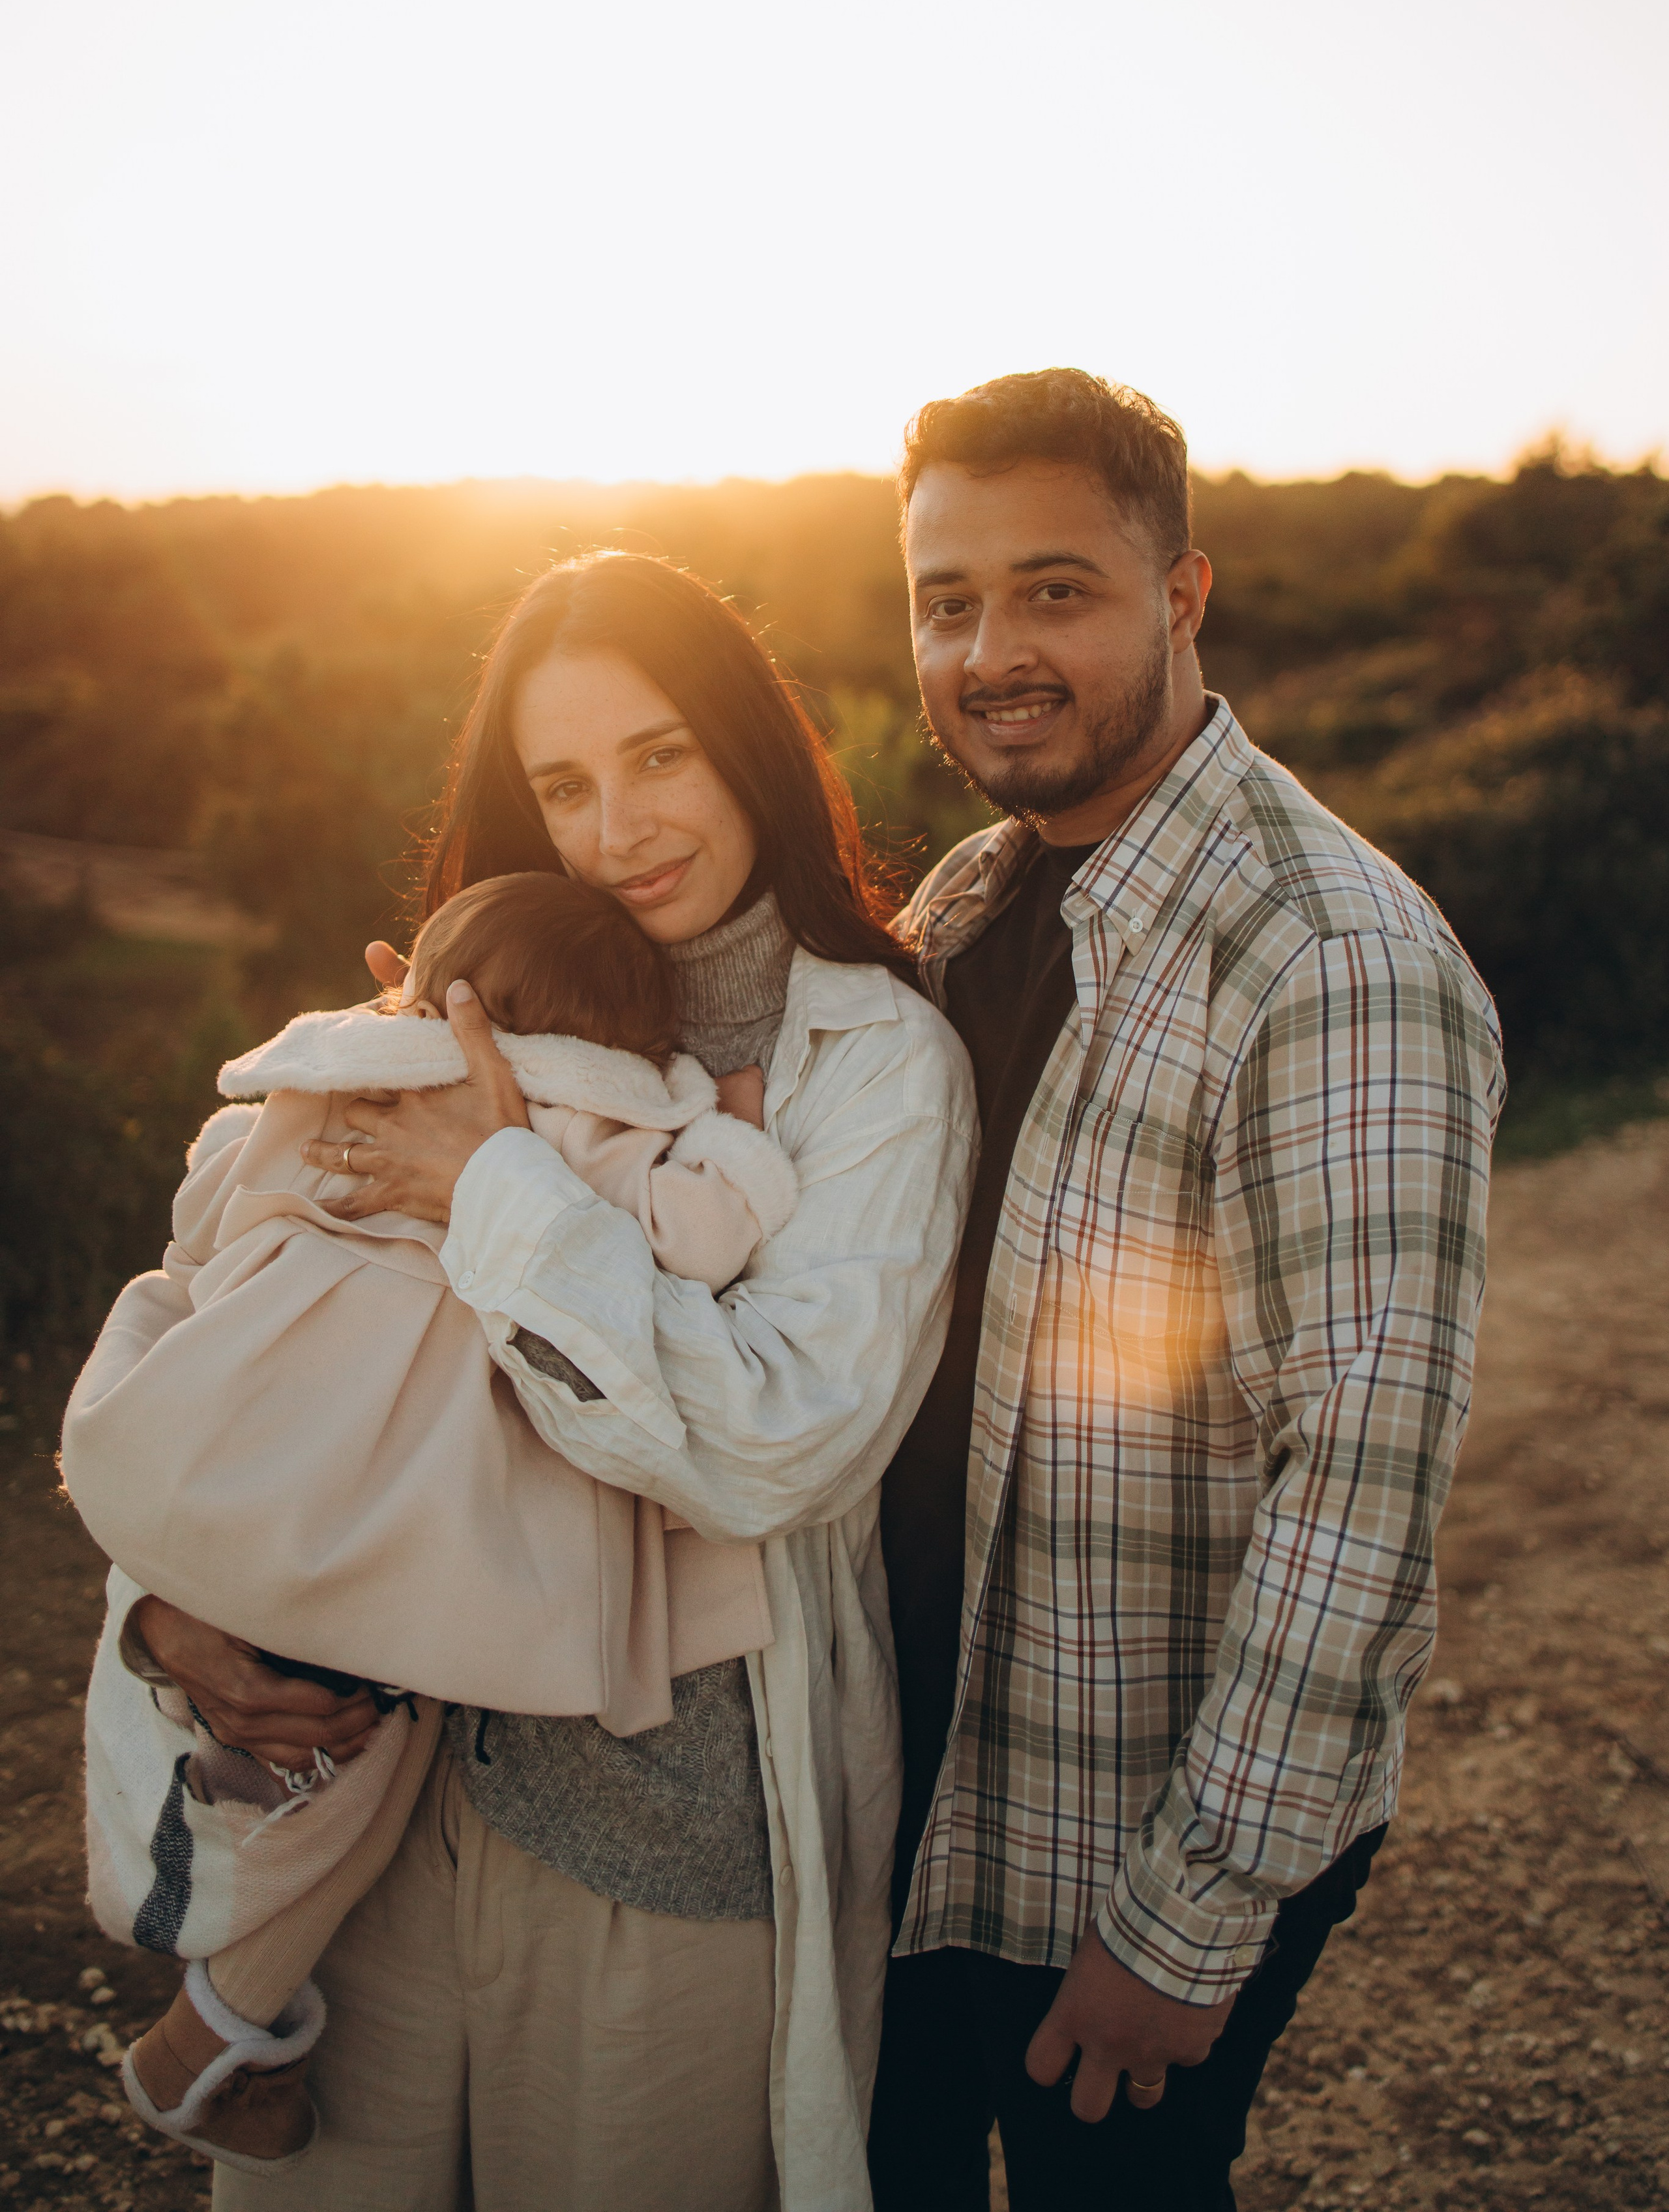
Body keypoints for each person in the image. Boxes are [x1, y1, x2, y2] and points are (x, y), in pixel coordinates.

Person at [105, 551, 977, 2212]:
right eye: (562, 784)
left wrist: (493, 1183)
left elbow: (773, 1446)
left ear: (751, 748)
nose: (615, 830)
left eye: (661, 757)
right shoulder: (460, 1009)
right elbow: (226, 1308)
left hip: (661, 1847)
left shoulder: (874, 1066)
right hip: (377, 1794)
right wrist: (169, 1606)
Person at [870, 368, 1503, 2211]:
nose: (993, 649)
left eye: (1056, 589)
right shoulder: (970, 905)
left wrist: (1188, 1920)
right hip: (916, 1772)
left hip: (1115, 1818)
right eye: (945, 600)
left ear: (1183, 595)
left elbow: (1363, 1488)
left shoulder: (1329, 957)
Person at [66, 868, 800, 2174]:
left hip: (242, 1447)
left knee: (266, 1713)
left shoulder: (334, 1087)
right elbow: (700, 1239)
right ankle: (214, 2025)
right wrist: (735, 1133)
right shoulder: (573, 1123)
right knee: (353, 1757)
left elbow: (200, 1211)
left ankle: (197, 1961)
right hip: (382, 1516)